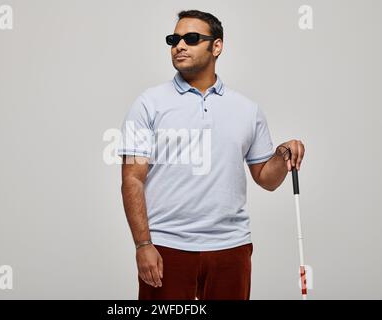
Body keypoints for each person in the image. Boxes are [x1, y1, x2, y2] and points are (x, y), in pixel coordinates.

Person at [117, 9, 305, 300]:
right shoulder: (148, 104)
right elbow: (132, 179)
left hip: (231, 247)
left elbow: (266, 179)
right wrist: (143, 245)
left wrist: (282, 155)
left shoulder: (247, 109)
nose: (179, 45)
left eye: (191, 38)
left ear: (217, 46)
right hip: (168, 246)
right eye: (174, 39)